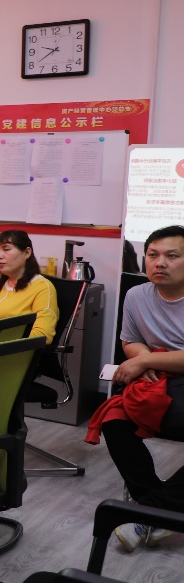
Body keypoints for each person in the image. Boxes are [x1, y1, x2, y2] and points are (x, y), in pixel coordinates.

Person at [93, 226, 184, 551]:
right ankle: (158, 509)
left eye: (172, 256)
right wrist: (143, 359)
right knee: (114, 419)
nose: (160, 263)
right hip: (157, 380)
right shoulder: (136, 295)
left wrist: (144, 361)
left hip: (171, 376)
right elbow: (130, 339)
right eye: (153, 255)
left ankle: (150, 513)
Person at [0, 229, 59, 343]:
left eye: (6, 249)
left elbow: (42, 336)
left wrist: (0, 346)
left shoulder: (42, 287)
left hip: (8, 351)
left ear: (27, 253)